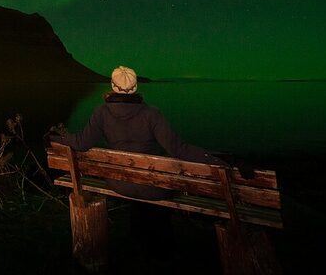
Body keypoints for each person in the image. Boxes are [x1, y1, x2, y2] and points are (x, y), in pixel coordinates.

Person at [46, 65, 229, 262]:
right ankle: (163, 250)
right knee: (156, 184)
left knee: (138, 182)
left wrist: (57, 138)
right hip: (154, 188)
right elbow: (178, 149)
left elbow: (81, 142)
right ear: (135, 88)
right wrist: (216, 158)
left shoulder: (101, 113)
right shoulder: (152, 114)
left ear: (113, 86)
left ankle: (139, 241)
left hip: (119, 183)